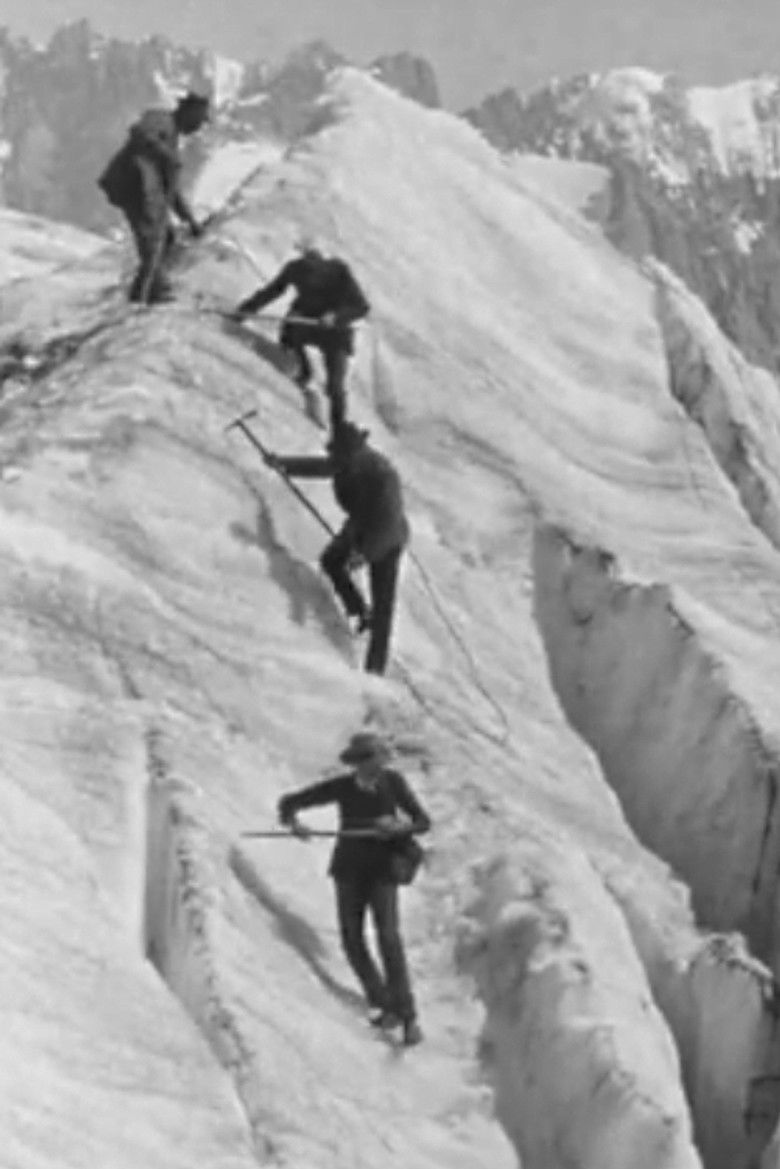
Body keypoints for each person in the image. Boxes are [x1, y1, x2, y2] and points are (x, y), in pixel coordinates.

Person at [278, 730, 431, 1046]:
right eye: (367, 760)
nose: (373, 765)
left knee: (388, 938)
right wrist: (293, 823)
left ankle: (407, 1015)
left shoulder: (393, 783)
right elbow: (291, 802)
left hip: (382, 871)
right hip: (349, 870)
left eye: (374, 758)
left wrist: (399, 827)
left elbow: (422, 821)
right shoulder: (343, 787)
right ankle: (383, 1003)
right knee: (352, 939)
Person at [265, 421, 409, 675]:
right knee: (332, 561)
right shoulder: (347, 462)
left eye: (338, 455)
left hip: (386, 541)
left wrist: (363, 554)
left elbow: (386, 524)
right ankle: (358, 611)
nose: (334, 461)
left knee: (383, 610)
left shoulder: (381, 477)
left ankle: (374, 670)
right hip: (360, 528)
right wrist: (284, 464)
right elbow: (323, 467)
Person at [233, 242, 370, 432]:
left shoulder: (340, 272)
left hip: (336, 334)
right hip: (305, 325)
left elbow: (361, 307)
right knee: (291, 330)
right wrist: (243, 312)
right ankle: (302, 375)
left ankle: (339, 431)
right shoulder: (295, 269)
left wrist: (336, 317)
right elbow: (272, 291)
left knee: (335, 387)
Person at [98, 91, 210, 304]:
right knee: (152, 235)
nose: (198, 127)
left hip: (146, 191)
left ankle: (142, 289)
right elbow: (139, 132)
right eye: (199, 120)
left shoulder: (173, 137)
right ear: (190, 111)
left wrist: (190, 220)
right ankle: (154, 289)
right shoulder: (160, 119)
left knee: (166, 237)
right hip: (133, 184)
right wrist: (166, 155)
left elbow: (171, 189)